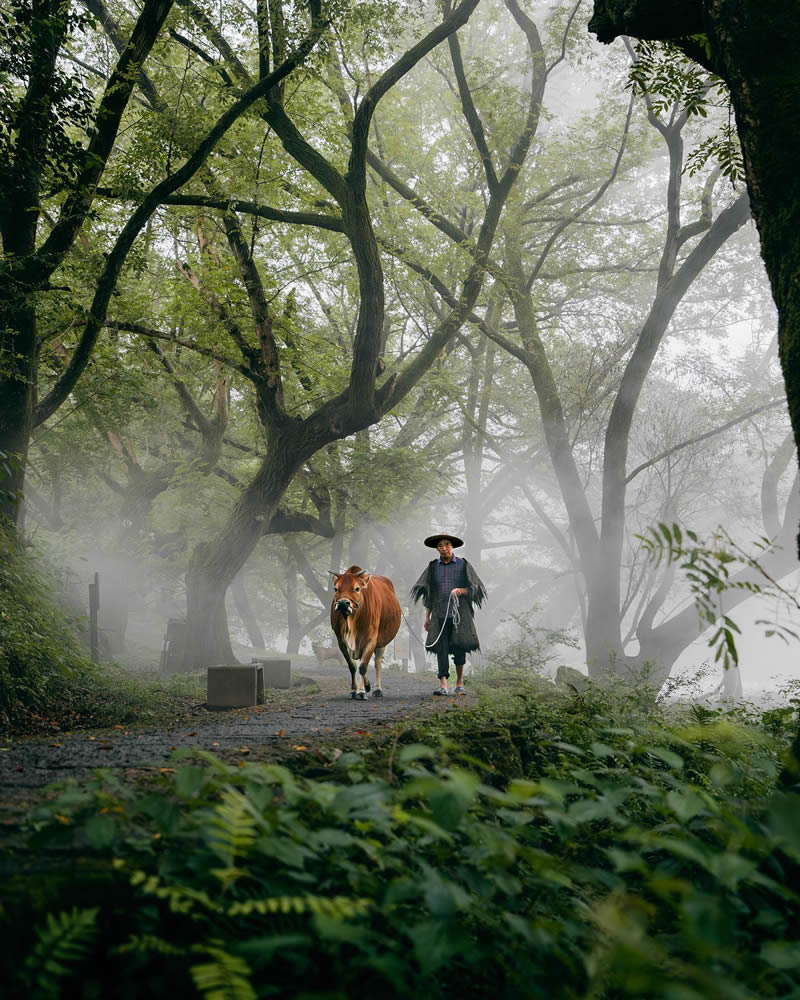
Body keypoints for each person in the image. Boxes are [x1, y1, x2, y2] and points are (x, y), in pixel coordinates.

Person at [410, 532, 486, 696]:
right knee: (441, 649)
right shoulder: (433, 567)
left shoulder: (463, 564)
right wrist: (427, 617)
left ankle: (459, 683)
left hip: (460, 615)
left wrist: (461, 590)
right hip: (439, 615)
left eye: (447, 545)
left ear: (452, 547)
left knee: (459, 648)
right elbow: (429, 594)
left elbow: (476, 588)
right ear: (437, 549)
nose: (444, 548)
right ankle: (443, 684)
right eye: (440, 546)